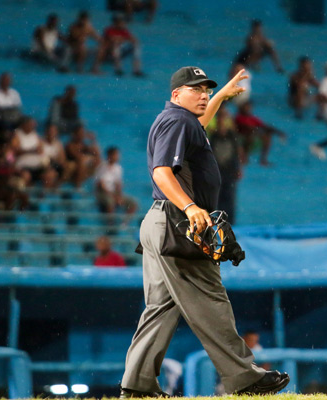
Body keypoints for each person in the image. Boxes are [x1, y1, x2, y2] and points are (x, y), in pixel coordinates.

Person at [120, 66, 289, 398]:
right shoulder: (177, 121)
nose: (203, 95)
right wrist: (190, 207)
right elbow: (162, 172)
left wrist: (221, 97)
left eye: (207, 90)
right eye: (196, 89)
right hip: (179, 223)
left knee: (160, 309)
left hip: (160, 222)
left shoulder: (180, 121)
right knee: (211, 299)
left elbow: (196, 125)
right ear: (176, 94)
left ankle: (137, 386)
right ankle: (245, 378)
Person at [207, 102, 243, 224]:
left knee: (229, 198)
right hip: (217, 171)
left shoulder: (232, 136)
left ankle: (229, 223)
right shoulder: (213, 137)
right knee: (217, 198)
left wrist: (238, 168)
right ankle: (218, 222)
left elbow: (237, 153)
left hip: (229, 171)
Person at [235, 101, 286, 166]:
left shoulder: (253, 119)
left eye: (249, 107)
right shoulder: (238, 118)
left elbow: (264, 126)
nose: (248, 109)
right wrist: (255, 130)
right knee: (250, 136)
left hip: (254, 136)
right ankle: (245, 157)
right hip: (242, 137)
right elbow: (245, 127)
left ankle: (263, 159)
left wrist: (278, 132)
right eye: (246, 107)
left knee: (267, 137)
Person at [95, 146, 138, 214]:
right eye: (116, 155)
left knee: (133, 203)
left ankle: (125, 220)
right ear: (110, 155)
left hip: (114, 193)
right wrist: (113, 196)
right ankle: (110, 220)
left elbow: (118, 184)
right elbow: (101, 185)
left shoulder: (118, 168)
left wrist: (118, 196)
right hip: (103, 193)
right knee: (110, 202)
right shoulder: (102, 167)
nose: (118, 157)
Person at [11, 116, 47, 184]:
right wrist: (31, 151)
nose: (32, 126)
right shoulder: (17, 135)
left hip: (37, 165)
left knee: (50, 174)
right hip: (23, 166)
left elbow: (41, 150)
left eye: (32, 125)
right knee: (26, 176)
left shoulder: (35, 135)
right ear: (24, 124)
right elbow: (15, 152)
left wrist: (38, 151)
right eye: (30, 124)